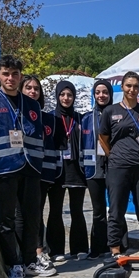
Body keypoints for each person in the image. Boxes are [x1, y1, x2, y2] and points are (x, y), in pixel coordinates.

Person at [0, 55, 55, 278]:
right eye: (6, 74)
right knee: (6, 220)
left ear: (20, 76)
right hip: (3, 169)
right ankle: (13, 263)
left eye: (15, 74)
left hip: (30, 168)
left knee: (32, 217)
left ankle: (29, 261)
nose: (10, 78)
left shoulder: (32, 105)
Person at [99, 72, 139, 259]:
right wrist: (115, 156)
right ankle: (115, 249)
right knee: (117, 210)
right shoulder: (110, 111)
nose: (132, 90)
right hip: (118, 168)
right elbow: (103, 138)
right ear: (122, 87)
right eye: (128, 86)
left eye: (135, 86)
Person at [45, 79, 89, 261]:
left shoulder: (81, 119)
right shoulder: (50, 117)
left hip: (76, 170)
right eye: (62, 94)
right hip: (57, 170)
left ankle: (79, 248)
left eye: (69, 95)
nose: (66, 98)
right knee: (55, 210)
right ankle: (56, 250)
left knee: (77, 209)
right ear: (57, 96)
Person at [21, 76, 63, 264]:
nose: (32, 91)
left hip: (41, 174)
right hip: (18, 172)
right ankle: (22, 253)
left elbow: (57, 147)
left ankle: (38, 250)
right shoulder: (14, 113)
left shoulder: (49, 119)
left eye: (36, 88)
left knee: (36, 212)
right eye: (28, 88)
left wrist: (54, 173)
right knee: (19, 215)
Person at [79, 79, 113, 257]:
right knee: (98, 210)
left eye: (105, 92)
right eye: (98, 92)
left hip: (113, 168)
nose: (101, 95)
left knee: (115, 209)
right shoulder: (85, 119)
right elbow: (79, 146)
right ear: (94, 95)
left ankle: (116, 246)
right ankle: (98, 247)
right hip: (93, 171)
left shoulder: (117, 114)